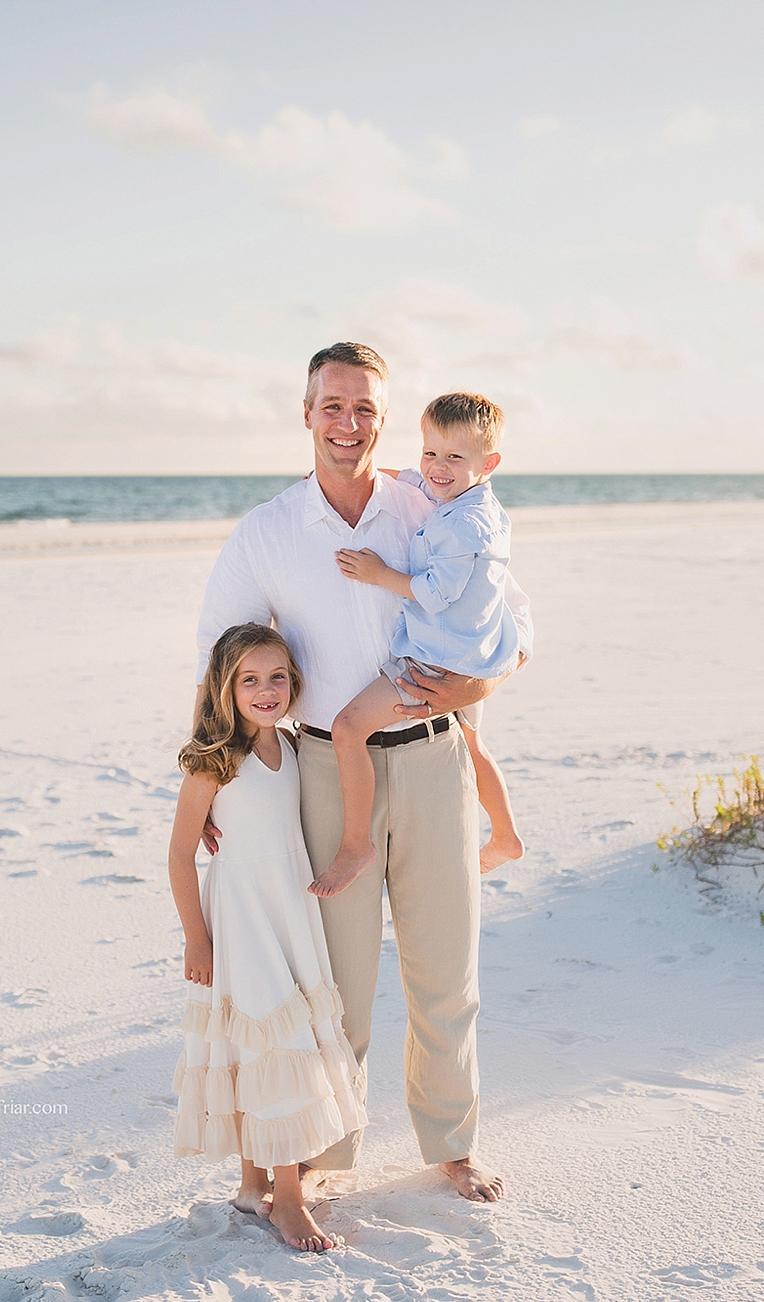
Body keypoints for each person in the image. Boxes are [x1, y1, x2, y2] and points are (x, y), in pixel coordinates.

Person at [194, 343, 531, 1203]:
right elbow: (219, 663)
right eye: (332, 406)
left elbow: (514, 626)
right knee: (338, 983)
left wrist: (474, 684)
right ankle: (323, 1154)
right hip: (319, 768)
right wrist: (210, 784)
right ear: (306, 413)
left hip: (434, 760)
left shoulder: (433, 503)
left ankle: (452, 1145)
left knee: (444, 971)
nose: (350, 424)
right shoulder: (267, 531)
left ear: (384, 418)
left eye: (366, 410)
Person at [168, 622, 364, 1252]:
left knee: (262, 1043)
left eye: (277, 676)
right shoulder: (213, 761)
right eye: (249, 679)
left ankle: (254, 1185)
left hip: (289, 911)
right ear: (225, 688)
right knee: (271, 1041)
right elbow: (177, 855)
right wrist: (197, 940)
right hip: (241, 919)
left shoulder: (295, 747)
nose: (266, 689)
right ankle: (287, 1199)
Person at [312, 391, 523, 899]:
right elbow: (415, 479)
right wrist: (359, 474)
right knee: (471, 743)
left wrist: (379, 573)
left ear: (488, 463)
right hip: (475, 648)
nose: (437, 468)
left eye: (454, 457)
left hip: (437, 659)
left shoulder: (463, 524)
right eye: (431, 453)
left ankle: (355, 843)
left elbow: (435, 592)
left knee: (346, 728)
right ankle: (507, 835)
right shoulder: (474, 502)